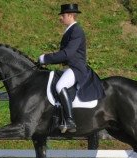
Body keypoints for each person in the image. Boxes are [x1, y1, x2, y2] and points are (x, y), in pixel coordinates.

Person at [38, 3, 105, 133]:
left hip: (76, 68)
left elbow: (68, 53)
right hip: (70, 67)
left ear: (70, 15)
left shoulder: (76, 30)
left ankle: (69, 121)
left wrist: (46, 58)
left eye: (62, 15)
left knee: (60, 86)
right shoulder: (70, 30)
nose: (60, 18)